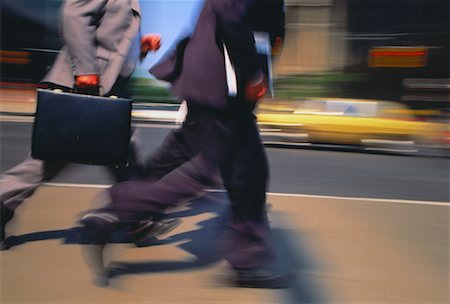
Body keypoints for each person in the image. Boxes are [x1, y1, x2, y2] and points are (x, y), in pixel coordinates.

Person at [79, 0, 292, 288]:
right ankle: (115, 211)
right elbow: (231, 13)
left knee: (190, 158)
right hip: (224, 83)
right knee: (224, 172)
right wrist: (251, 73)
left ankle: (247, 261)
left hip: (212, 79)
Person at [0, 0, 163, 244]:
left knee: (124, 154)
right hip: (85, 84)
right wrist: (85, 69)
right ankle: (138, 216)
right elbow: (73, 13)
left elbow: (112, 45)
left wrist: (140, 49)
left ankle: (138, 217)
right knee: (52, 158)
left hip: (108, 88)